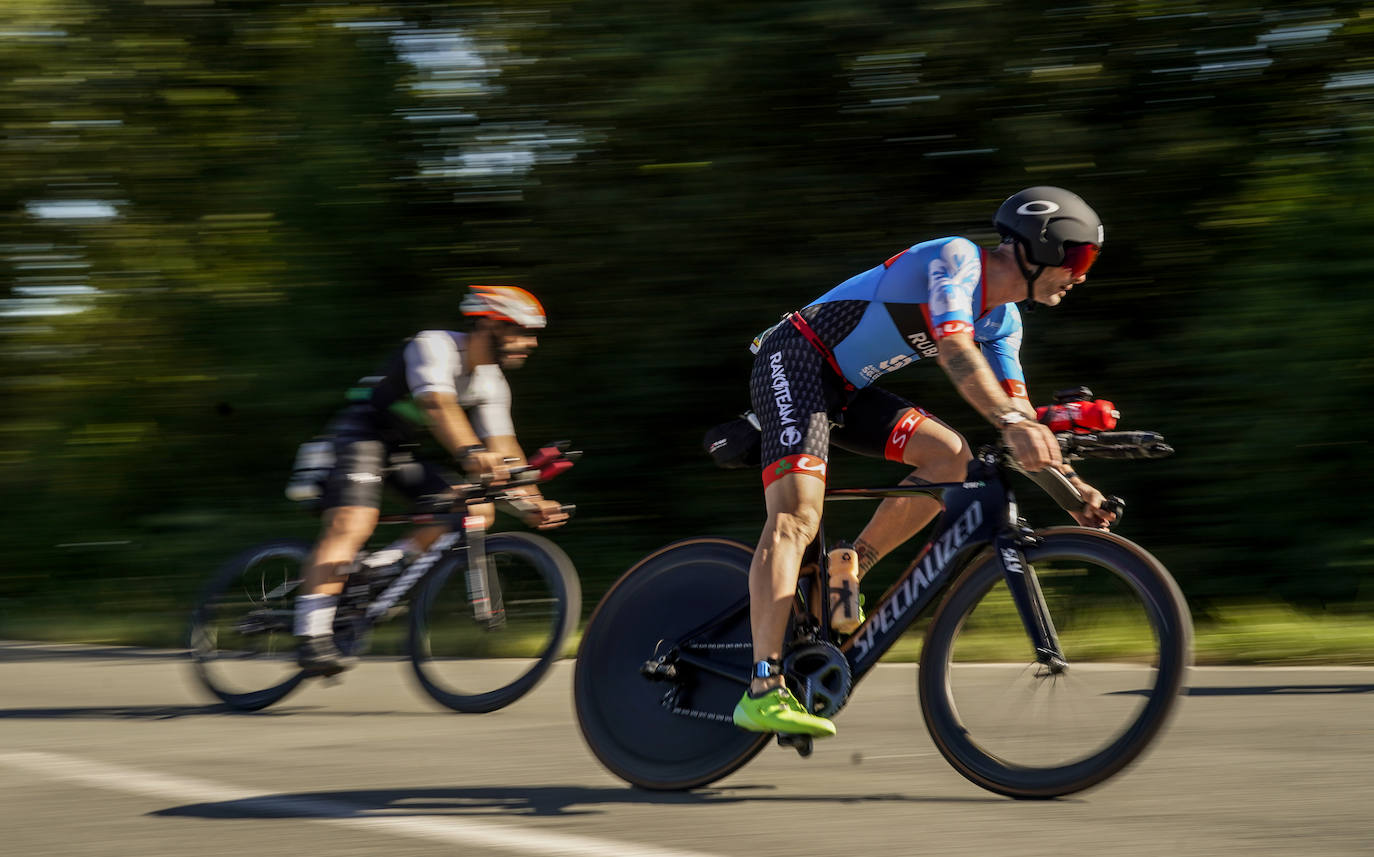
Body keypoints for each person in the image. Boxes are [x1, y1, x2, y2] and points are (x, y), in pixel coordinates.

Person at [732, 186, 1117, 737]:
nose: (1081, 275)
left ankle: (852, 565)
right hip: (794, 358)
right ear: (1041, 247)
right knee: (797, 517)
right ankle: (763, 688)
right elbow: (956, 350)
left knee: (951, 457)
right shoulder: (956, 261)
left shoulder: (1004, 322)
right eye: (1080, 258)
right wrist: (1012, 423)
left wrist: (1073, 489)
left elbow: (1019, 415)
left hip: (845, 387)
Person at [292, 284, 568, 675]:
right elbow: (435, 405)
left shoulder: (491, 383)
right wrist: (473, 454)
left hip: (402, 450)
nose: (531, 343)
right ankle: (311, 636)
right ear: (490, 325)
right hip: (362, 435)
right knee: (354, 522)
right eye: (522, 331)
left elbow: (506, 449)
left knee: (476, 509)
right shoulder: (433, 345)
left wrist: (531, 503)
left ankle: (384, 566)